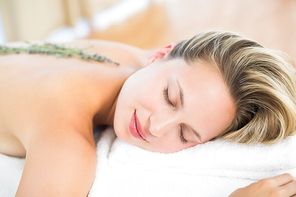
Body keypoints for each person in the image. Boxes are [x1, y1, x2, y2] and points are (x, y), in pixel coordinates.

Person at [0, 30, 295, 196]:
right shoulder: (65, 143)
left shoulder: (130, 59)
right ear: (159, 54)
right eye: (169, 97)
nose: (156, 126)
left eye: (184, 134)